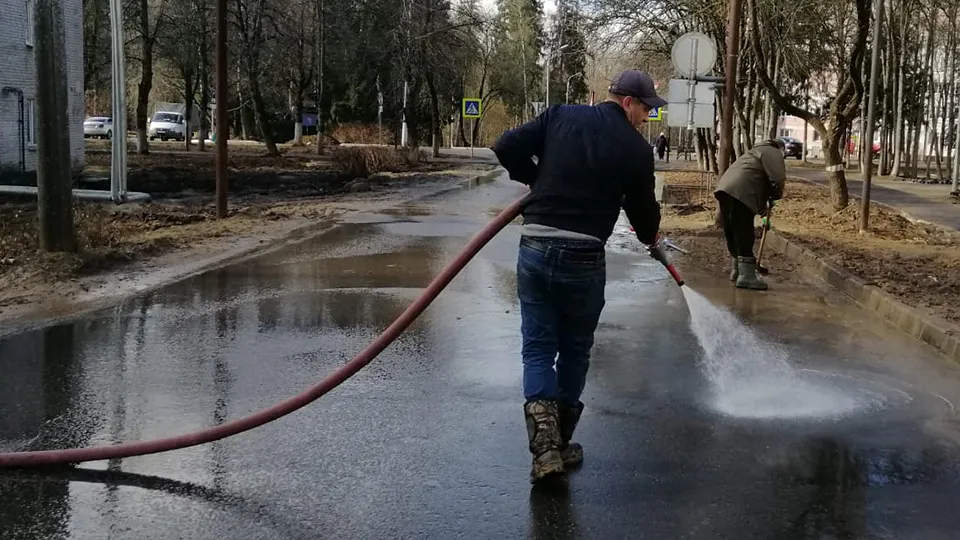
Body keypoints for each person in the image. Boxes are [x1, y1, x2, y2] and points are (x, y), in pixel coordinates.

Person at [491, 69, 666, 484]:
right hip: (584, 256)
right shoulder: (636, 150)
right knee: (574, 350)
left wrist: (535, 178)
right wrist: (651, 236)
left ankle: (545, 451)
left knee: (537, 349)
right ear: (628, 103)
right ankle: (561, 443)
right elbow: (644, 219)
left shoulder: (559, 116)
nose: (647, 118)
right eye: (645, 109)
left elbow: (505, 147)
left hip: (534, 247)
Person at [714, 139, 787, 290]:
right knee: (744, 231)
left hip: (725, 189)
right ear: (781, 148)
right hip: (741, 192)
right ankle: (747, 277)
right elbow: (778, 179)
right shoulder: (773, 152)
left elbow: (755, 179)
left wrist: (764, 210)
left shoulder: (753, 153)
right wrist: (776, 196)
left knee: (733, 230)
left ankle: (738, 270)